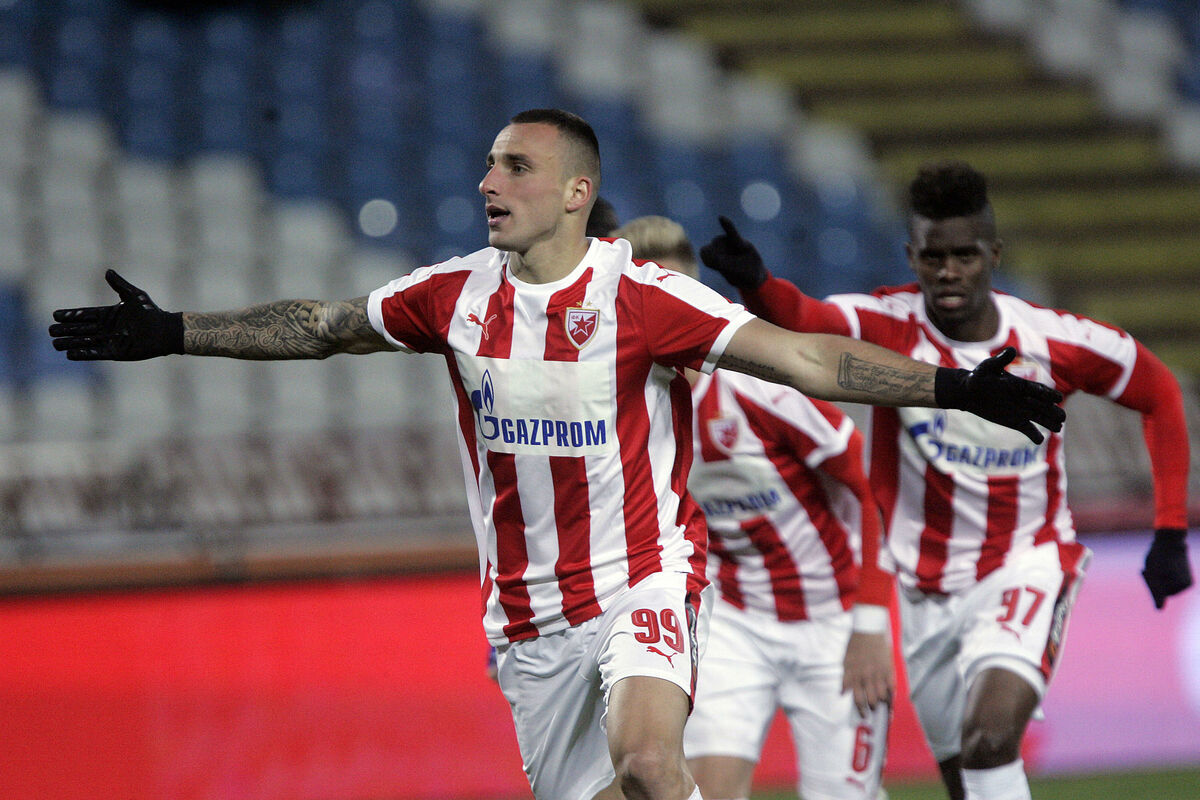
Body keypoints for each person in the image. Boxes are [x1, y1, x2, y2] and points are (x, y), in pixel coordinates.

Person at [48, 113, 1065, 800]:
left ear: (578, 192)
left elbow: (803, 356)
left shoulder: (643, 298)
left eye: (515, 167)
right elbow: (319, 326)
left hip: (644, 579)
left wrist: (956, 384)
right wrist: (175, 329)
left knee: (652, 761)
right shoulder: (450, 296)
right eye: (490, 165)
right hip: (528, 622)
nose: (488, 181)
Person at [697, 161, 1193, 800]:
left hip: (1024, 563)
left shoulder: (1054, 341)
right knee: (965, 777)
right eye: (934, 257)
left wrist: (1170, 530)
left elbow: (1159, 393)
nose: (949, 271)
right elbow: (807, 321)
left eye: (965, 255)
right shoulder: (889, 323)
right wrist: (757, 283)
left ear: (994, 255)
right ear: (912, 257)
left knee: (991, 738)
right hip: (924, 589)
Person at [613, 215, 895, 800]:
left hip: (833, 620)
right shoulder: (622, 409)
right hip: (734, 621)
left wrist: (871, 622)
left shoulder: (760, 388)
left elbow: (870, 488)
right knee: (704, 789)